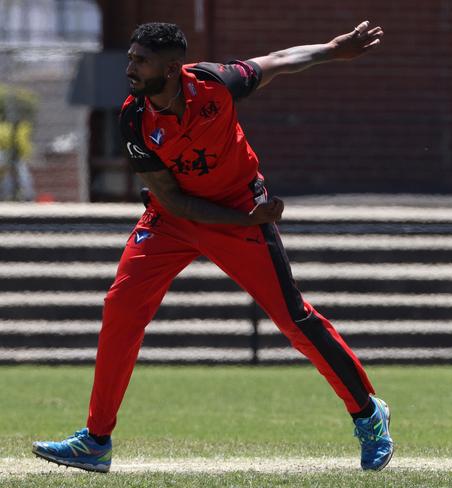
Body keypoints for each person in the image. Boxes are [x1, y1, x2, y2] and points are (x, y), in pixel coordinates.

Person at [32, 21, 392, 473]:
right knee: (121, 307)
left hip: (238, 204)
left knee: (294, 318)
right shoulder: (133, 118)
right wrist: (245, 221)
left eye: (140, 60)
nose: (130, 67)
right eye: (131, 57)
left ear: (171, 67)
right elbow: (175, 200)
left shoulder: (214, 83)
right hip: (176, 217)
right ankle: (96, 441)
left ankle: (368, 414)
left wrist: (332, 50)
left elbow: (277, 62)